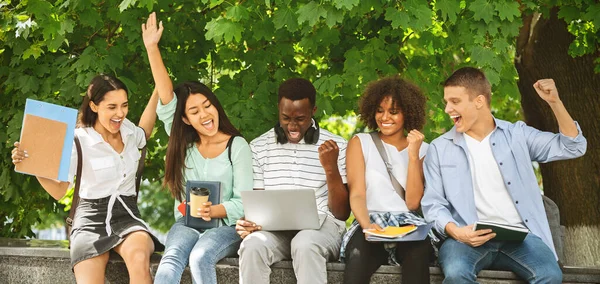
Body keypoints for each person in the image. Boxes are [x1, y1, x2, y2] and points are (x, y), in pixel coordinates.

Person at [421, 67, 587, 284]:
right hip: (465, 240)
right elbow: (433, 205)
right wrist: (458, 233)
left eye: (454, 101)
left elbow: (573, 147)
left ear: (479, 101)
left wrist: (555, 102)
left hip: (521, 239)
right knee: (456, 273)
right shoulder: (439, 148)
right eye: (446, 102)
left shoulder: (518, 135)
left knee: (550, 275)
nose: (447, 109)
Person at [11, 74, 162, 284]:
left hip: (127, 216)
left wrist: (158, 89)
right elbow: (59, 191)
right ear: (93, 106)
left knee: (139, 261)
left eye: (124, 105)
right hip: (89, 220)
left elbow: (144, 133)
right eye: (112, 107)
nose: (120, 113)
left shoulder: (127, 129)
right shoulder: (77, 141)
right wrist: (33, 165)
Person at [141, 12, 253, 284]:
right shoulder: (184, 143)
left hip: (226, 228)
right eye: (194, 110)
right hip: (188, 223)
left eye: (207, 105)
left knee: (201, 256)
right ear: (185, 119)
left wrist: (214, 211)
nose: (204, 113)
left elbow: (244, 202)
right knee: (171, 258)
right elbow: (166, 99)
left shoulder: (236, 146)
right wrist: (152, 49)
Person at [234, 77, 350, 284]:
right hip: (273, 232)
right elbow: (257, 204)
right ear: (278, 109)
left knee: (305, 244)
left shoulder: (337, 146)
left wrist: (331, 168)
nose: (292, 126)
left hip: (320, 231)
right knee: (252, 246)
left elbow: (341, 213)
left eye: (300, 119)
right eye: (286, 118)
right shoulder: (259, 147)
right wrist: (248, 222)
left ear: (313, 111)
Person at [340, 75, 433, 284]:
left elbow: (412, 203)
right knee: (356, 262)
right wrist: (367, 226)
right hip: (370, 222)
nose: (384, 117)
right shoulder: (360, 142)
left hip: (407, 225)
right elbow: (356, 193)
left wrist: (413, 155)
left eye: (393, 112)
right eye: (379, 110)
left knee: (418, 259)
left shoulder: (424, 150)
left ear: (407, 113)